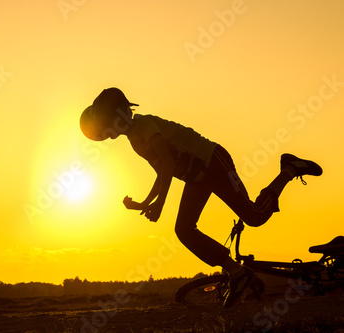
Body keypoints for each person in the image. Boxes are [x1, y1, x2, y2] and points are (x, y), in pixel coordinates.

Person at [79, 87, 323, 307]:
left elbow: (168, 162)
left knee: (254, 216)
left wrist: (160, 204)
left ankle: (289, 169)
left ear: (116, 117)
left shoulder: (145, 126)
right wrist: (146, 202)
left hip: (212, 162)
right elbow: (162, 172)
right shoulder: (135, 141)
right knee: (184, 230)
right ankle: (237, 273)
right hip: (198, 177)